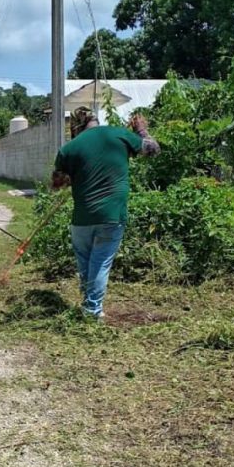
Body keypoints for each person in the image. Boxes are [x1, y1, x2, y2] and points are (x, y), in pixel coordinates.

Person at [51, 112, 160, 319]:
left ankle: (88, 305)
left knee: (85, 263)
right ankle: (92, 311)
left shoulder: (68, 149)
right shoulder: (119, 134)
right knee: (100, 263)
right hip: (110, 216)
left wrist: (79, 172)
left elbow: (58, 184)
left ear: (75, 127)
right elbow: (153, 150)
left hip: (81, 219)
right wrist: (140, 129)